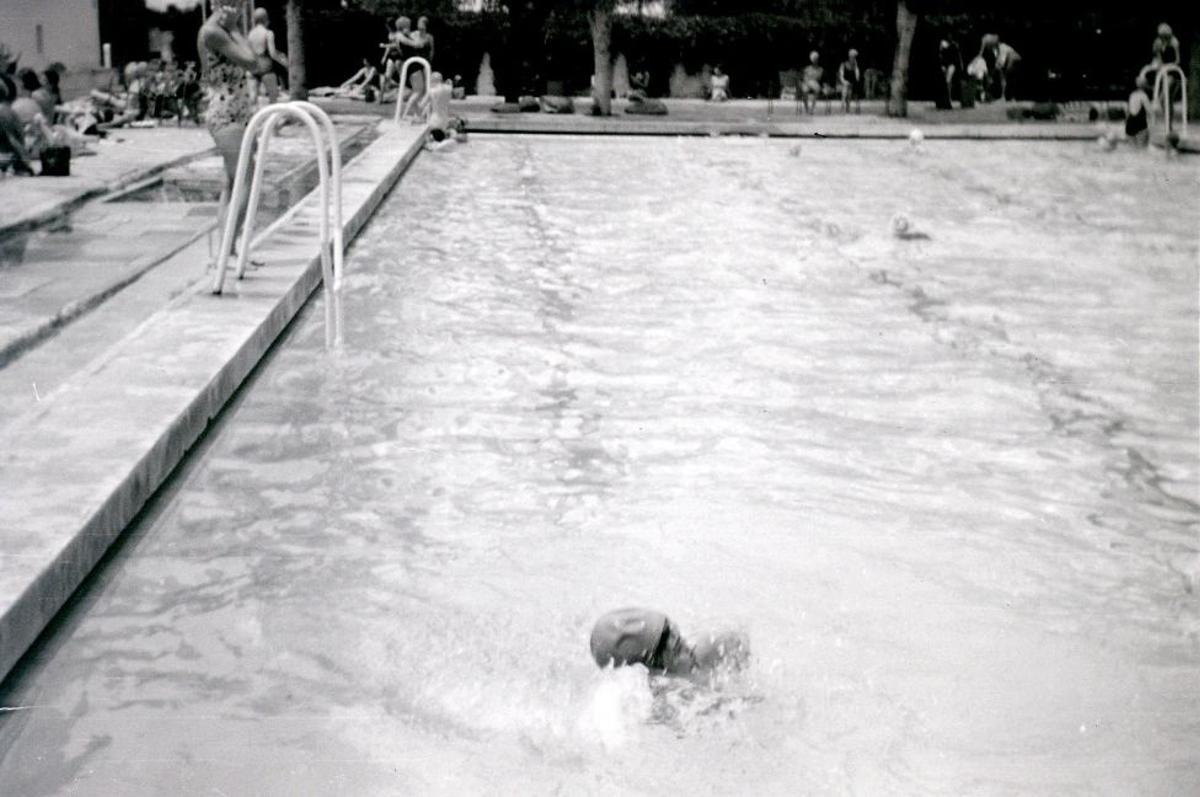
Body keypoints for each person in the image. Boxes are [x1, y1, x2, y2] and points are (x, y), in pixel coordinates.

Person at [198, 0, 272, 264]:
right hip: (225, 114)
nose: (240, 7)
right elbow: (253, 62)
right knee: (247, 181)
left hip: (237, 112)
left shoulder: (222, 31)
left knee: (231, 183)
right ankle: (227, 252)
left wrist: (235, 29)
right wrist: (237, 29)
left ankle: (226, 252)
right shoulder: (213, 32)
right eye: (235, 2)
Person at [589, 608, 749, 680]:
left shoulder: (705, 648)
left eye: (668, 627)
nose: (676, 639)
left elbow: (737, 637)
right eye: (664, 639)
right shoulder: (666, 700)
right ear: (648, 668)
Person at [247, 8, 288, 104]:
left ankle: (253, 117)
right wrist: (284, 63)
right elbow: (272, 53)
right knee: (273, 97)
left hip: (253, 67)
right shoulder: (268, 33)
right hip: (266, 68)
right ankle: (272, 117)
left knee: (253, 98)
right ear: (266, 19)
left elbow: (250, 51)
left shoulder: (250, 34)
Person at [400, 16, 435, 119]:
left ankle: (420, 112)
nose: (421, 29)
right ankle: (416, 112)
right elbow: (408, 45)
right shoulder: (413, 35)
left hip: (425, 64)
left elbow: (432, 51)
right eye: (420, 26)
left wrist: (430, 63)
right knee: (419, 90)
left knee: (428, 90)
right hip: (416, 63)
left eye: (423, 27)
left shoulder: (429, 37)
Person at [0, 74, 35, 175]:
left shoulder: (2, 112)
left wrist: (26, 164)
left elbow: (13, 140)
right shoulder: (8, 109)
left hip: (9, 158)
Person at [1125, 74, 1152, 146]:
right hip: (1139, 122)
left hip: (1129, 123)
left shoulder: (1132, 94)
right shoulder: (1144, 95)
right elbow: (1149, 111)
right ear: (1145, 85)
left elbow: (1127, 111)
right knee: (1142, 148)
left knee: (1132, 148)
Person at [937, 39, 962, 110]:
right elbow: (941, 54)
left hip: (951, 64)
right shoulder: (947, 44)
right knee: (947, 82)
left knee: (948, 82)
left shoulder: (952, 45)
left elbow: (941, 54)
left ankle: (948, 100)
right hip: (948, 63)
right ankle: (946, 100)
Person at [837, 49, 862, 113]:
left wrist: (856, 67)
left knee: (849, 89)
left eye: (855, 57)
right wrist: (844, 82)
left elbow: (857, 77)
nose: (853, 59)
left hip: (851, 85)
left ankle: (846, 107)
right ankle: (843, 106)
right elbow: (841, 76)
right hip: (842, 84)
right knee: (846, 88)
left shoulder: (855, 66)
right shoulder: (843, 64)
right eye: (852, 57)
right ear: (849, 57)